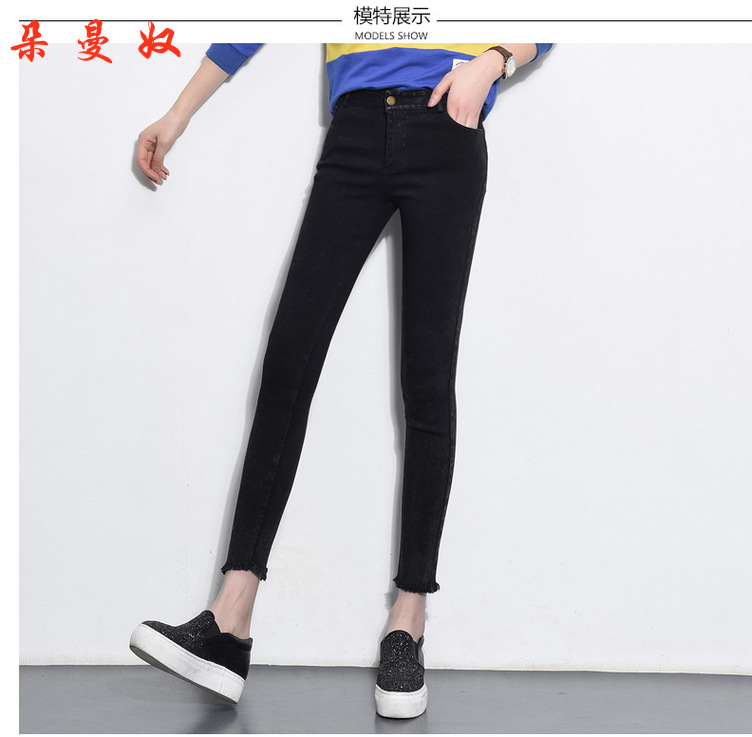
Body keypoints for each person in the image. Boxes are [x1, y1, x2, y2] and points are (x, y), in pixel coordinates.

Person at [129, 42, 552, 718]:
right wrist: (178, 113)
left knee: (427, 378)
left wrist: (494, 61)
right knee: (289, 363)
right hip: (354, 130)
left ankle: (408, 621)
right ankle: (230, 622)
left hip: (449, 125)